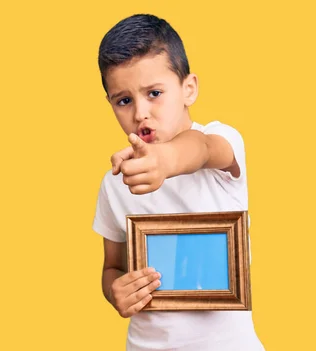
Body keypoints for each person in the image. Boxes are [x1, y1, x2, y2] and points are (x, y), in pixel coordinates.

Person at [91, 13, 265, 351]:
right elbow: (112, 266)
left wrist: (164, 160)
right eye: (124, 100)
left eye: (154, 93)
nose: (141, 112)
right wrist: (116, 291)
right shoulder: (116, 182)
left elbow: (200, 150)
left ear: (189, 89)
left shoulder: (221, 141)